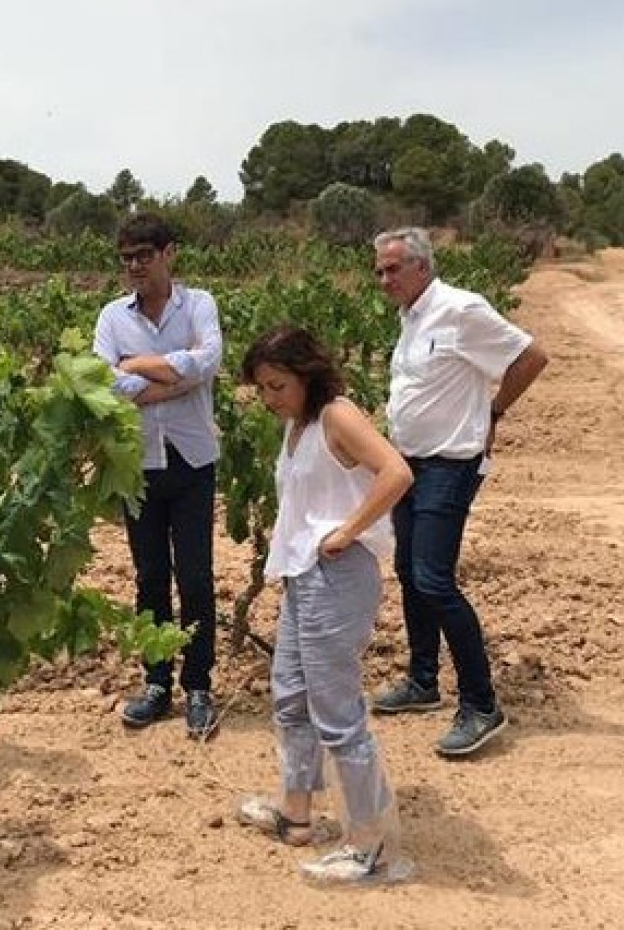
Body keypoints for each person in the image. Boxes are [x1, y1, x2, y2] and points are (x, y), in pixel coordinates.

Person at [236, 326, 414, 884]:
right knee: (290, 696)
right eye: (262, 388)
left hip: (336, 575)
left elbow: (397, 471)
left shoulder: (337, 415)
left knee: (338, 714)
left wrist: (348, 531)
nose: (269, 399)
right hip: (303, 576)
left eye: (277, 385)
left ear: (306, 374)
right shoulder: (299, 424)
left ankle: (372, 847)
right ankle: (296, 813)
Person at [370, 227, 549, 757]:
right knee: (409, 572)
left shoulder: (461, 310)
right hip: (407, 464)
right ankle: (423, 682)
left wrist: (493, 412)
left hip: (449, 464)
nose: (383, 279)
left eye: (392, 269)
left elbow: (531, 357)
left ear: (422, 267)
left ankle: (481, 704)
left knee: (432, 578)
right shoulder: (411, 318)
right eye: (379, 270)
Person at [93, 212, 223, 740]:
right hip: (138, 465)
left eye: (144, 256)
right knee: (149, 578)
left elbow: (208, 361)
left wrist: (137, 364)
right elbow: (104, 381)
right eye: (126, 259)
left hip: (192, 459)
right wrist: (171, 376)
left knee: (195, 577)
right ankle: (156, 682)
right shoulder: (110, 317)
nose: (134, 267)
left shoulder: (199, 304)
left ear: (170, 253)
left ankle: (198, 686)